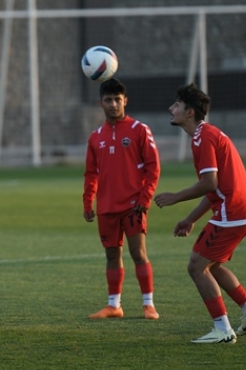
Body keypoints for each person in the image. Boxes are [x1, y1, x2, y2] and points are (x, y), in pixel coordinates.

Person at [154, 83, 246, 344]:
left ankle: (222, 329)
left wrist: (176, 197)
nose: (171, 109)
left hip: (234, 213)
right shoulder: (205, 135)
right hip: (240, 211)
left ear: (190, 112)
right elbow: (214, 189)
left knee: (196, 266)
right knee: (212, 265)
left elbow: (209, 184)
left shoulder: (203, 138)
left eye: (176, 105)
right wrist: (190, 219)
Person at [83, 78, 161, 320]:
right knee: (111, 256)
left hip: (133, 206)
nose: (113, 104)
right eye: (108, 100)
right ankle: (113, 305)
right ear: (101, 103)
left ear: (125, 101)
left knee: (138, 253)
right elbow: (91, 173)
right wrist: (88, 202)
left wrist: (145, 199)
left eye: (118, 100)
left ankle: (148, 304)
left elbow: (153, 168)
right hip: (106, 208)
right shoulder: (96, 137)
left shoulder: (139, 129)